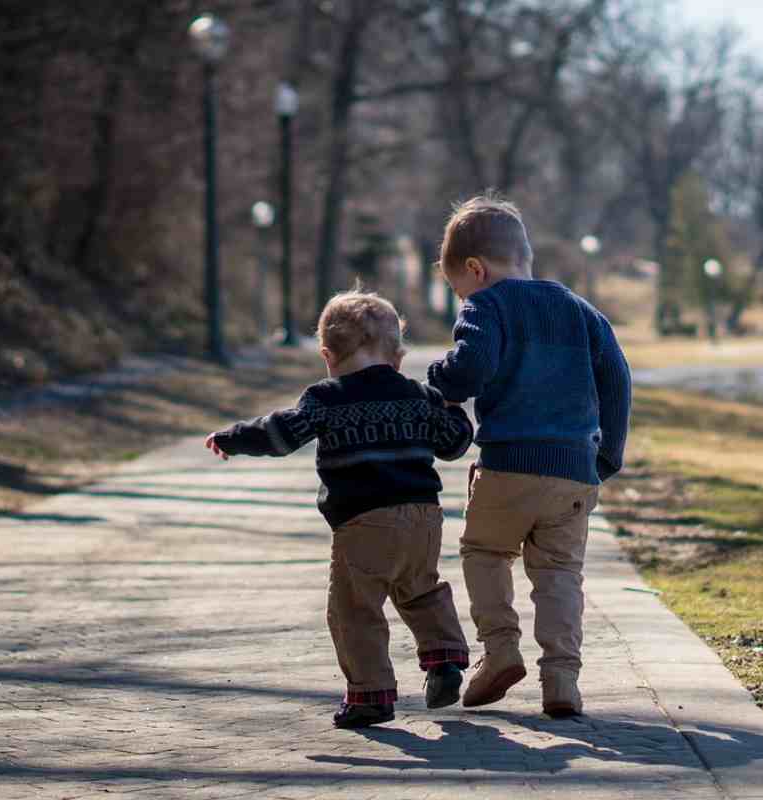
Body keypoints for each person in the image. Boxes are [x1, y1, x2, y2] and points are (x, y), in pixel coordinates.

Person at [205, 288, 473, 728]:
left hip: (364, 521)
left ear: (327, 355)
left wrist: (234, 438)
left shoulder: (326, 398)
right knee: (421, 590)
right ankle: (444, 660)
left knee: (355, 609)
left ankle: (370, 694)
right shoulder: (417, 395)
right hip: (423, 518)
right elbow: (454, 444)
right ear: (397, 355)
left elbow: (281, 434)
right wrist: (455, 409)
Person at [427, 194, 632, 717]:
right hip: (573, 471)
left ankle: (499, 651)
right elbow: (617, 380)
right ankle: (562, 680)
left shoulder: (486, 306)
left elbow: (469, 371)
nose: (461, 297)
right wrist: (607, 455)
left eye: (458, 289)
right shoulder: (582, 312)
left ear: (476, 269)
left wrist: (438, 378)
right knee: (560, 573)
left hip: (508, 465)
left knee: (486, 553)